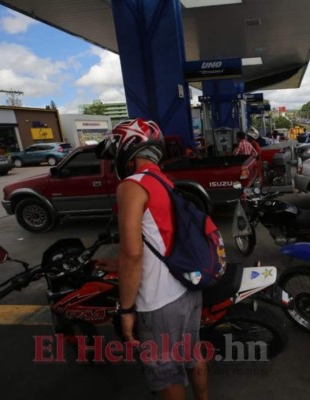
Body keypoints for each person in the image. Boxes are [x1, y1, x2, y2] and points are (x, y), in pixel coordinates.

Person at [94, 118, 208, 400]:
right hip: (187, 288)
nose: (111, 163)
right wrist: (118, 264)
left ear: (127, 149)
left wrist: (127, 310)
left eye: (113, 155)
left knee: (165, 372)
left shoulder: (132, 186)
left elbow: (132, 254)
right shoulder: (164, 181)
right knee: (192, 353)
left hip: (159, 301)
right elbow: (159, 238)